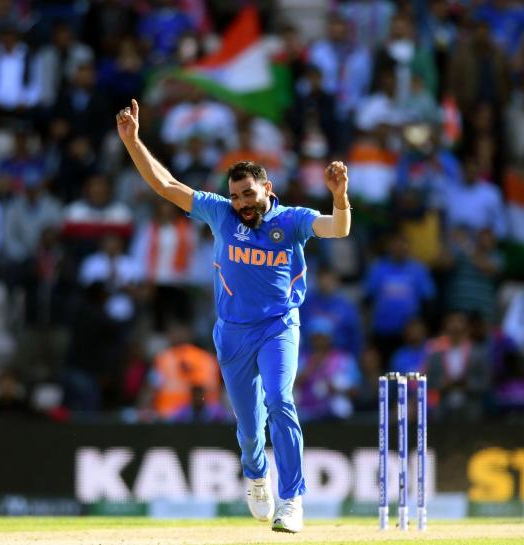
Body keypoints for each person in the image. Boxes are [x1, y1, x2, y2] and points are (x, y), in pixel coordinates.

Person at [116, 99, 351, 533]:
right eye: (236, 195)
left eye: (249, 194)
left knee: (280, 400)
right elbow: (166, 185)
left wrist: (340, 198)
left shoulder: (292, 220)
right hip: (233, 334)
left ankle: (292, 499)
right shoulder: (220, 212)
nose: (241, 202)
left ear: (267, 188)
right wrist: (133, 142)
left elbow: (338, 228)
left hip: (279, 326)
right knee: (250, 427)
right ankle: (257, 476)